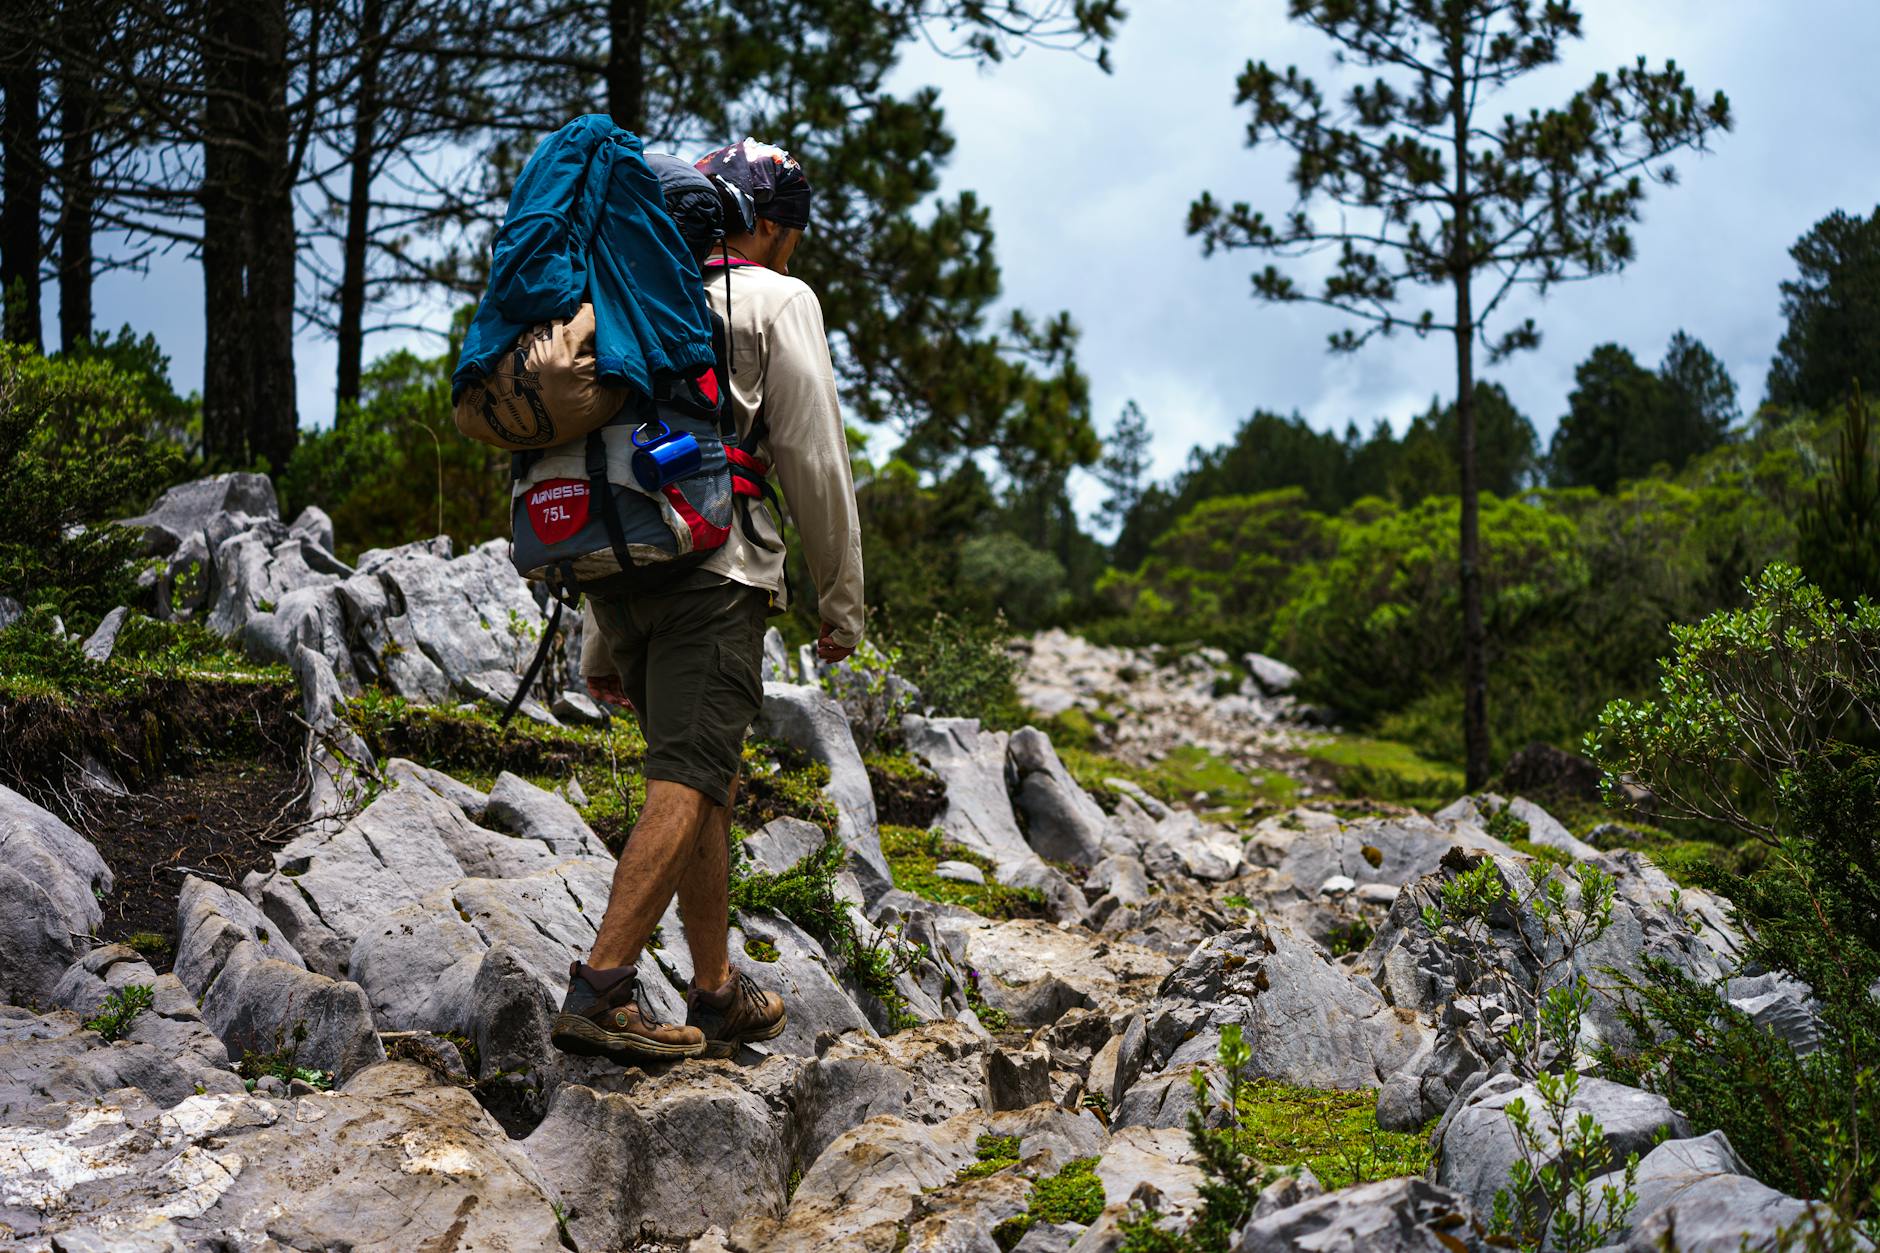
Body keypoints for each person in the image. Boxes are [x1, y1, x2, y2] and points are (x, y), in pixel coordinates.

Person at [550, 138, 865, 1063]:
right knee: (689, 777)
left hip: (627, 572)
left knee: (707, 780)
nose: (794, 250)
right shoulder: (775, 299)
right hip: (717, 573)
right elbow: (813, 456)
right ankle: (603, 986)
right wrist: (841, 601)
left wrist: (600, 642)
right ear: (765, 224)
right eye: (791, 233)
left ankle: (716, 990)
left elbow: (610, 461)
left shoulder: (629, 296)